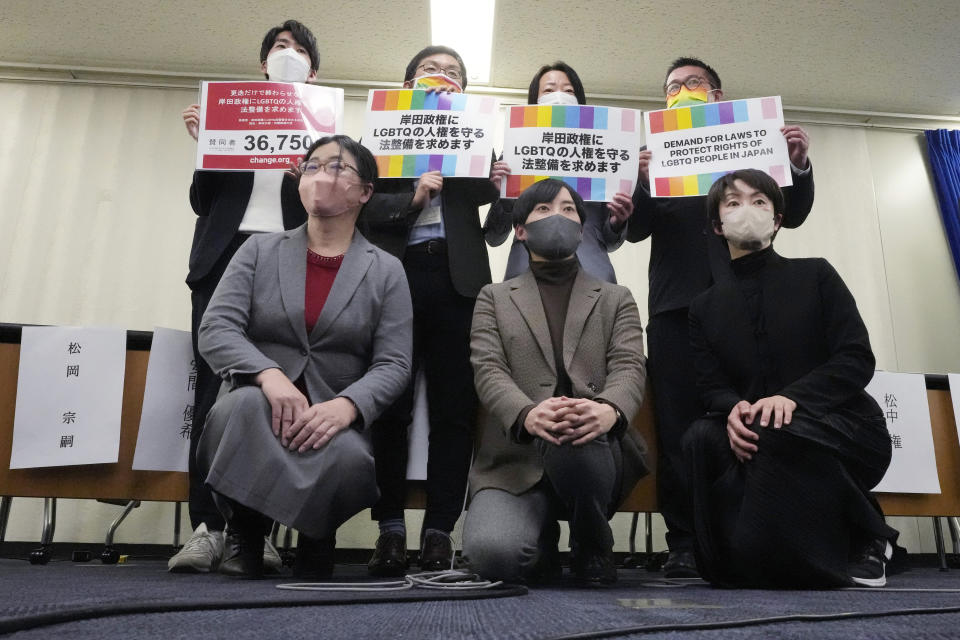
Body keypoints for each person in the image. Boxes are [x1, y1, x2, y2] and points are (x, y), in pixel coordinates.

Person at [626, 57, 816, 578]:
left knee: (755, 418)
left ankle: (756, 530)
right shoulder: (659, 157)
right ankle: (685, 539)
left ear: (716, 94)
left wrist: (796, 163)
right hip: (675, 311)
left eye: (693, 84)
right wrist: (640, 181)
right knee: (678, 426)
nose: (682, 91)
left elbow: (791, 214)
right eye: (672, 87)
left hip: (749, 304)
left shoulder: (747, 146)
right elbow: (636, 229)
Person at [195, 135, 413, 578]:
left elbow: (394, 363)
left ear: (365, 192)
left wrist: (347, 406)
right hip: (260, 402)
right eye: (311, 166)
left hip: (331, 408)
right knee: (241, 408)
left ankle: (318, 535)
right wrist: (268, 376)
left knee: (352, 459)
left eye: (337, 167)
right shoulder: (258, 250)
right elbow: (216, 328)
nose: (320, 176)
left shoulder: (386, 269)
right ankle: (248, 534)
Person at [684, 169, 897, 588]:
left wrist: (793, 398)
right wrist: (733, 408)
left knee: (775, 425)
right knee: (698, 437)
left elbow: (856, 358)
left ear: (778, 219)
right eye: (733, 202)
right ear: (716, 224)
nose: (747, 209)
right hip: (762, 430)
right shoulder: (703, 307)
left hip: (846, 426)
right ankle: (722, 556)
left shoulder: (816, 274)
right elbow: (711, 385)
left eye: (760, 201)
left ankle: (870, 534)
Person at [170, 19, 321, 574]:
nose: (289, 56)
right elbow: (201, 201)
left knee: (281, 389)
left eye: (300, 51)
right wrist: (205, 144)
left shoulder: (318, 124)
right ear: (263, 63)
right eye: (281, 48)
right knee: (211, 389)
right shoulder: (230, 113)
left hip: (287, 256)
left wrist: (308, 171)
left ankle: (259, 529)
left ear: (314, 69)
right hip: (222, 255)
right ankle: (208, 528)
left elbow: (323, 210)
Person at [360, 46, 501, 576]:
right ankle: (390, 529)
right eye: (429, 71)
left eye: (454, 74)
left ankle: (440, 530)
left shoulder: (477, 138)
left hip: (459, 282)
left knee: (454, 409)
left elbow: (495, 220)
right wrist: (414, 199)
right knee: (390, 404)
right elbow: (364, 206)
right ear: (407, 83)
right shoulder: (380, 136)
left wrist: (501, 179)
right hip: (395, 276)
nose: (442, 79)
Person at [464, 179, 648, 584]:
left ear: (582, 230)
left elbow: (631, 366)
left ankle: (592, 543)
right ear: (520, 231)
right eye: (543, 210)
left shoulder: (616, 297)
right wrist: (527, 414)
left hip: (594, 448)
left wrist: (609, 410)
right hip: (516, 457)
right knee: (493, 556)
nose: (558, 218)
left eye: (568, 210)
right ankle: (540, 533)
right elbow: (488, 368)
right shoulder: (493, 298)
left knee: (573, 424)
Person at [484, 62, 634, 283]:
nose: (559, 95)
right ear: (535, 100)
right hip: (525, 275)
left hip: (592, 275)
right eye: (549, 90)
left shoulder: (600, 150)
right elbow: (494, 237)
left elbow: (611, 242)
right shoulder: (516, 153)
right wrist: (504, 198)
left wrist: (616, 222)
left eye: (568, 90)